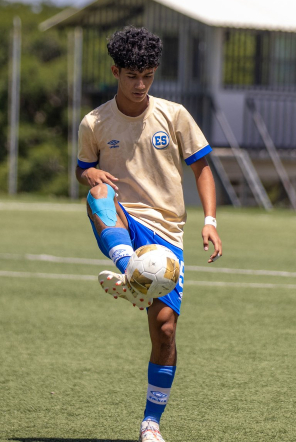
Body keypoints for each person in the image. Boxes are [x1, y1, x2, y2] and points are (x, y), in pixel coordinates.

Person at [76, 26, 222, 442]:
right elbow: (82, 168)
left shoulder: (174, 115)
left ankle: (150, 422)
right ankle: (128, 270)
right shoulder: (95, 122)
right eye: (131, 76)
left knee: (166, 330)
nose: (140, 85)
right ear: (115, 71)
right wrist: (89, 172)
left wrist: (210, 221)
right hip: (123, 215)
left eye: (148, 76)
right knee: (99, 192)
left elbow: (202, 168)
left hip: (167, 232)